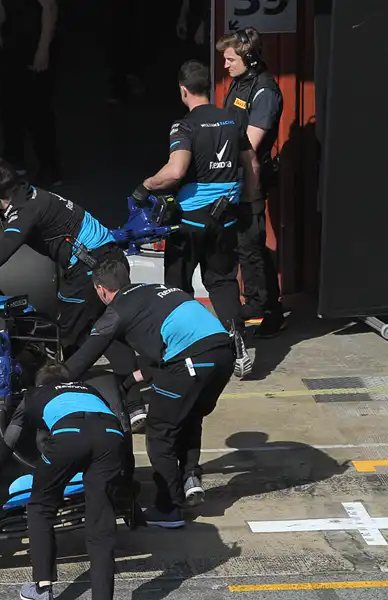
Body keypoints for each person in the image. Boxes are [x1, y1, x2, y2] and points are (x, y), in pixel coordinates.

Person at [0, 158, 147, 423]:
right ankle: (135, 403)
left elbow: (4, 249)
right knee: (108, 329)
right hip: (107, 261)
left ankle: (66, 399)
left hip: (89, 271)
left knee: (69, 338)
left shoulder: (26, 212)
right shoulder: (23, 195)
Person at [64, 258, 234, 528]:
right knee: (188, 417)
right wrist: (134, 378)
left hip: (191, 360)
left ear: (101, 289)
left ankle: (169, 508)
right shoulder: (154, 290)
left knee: (160, 433)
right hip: (224, 353)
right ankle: (190, 478)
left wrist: (53, 380)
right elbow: (168, 345)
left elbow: (83, 357)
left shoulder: (117, 310)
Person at [130, 59, 259, 378]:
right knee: (223, 281)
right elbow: (251, 163)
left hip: (189, 222)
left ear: (183, 90)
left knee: (176, 286)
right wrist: (249, 202)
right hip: (225, 218)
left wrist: (145, 186)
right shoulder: (232, 119)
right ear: (209, 87)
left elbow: (175, 172)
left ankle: (183, 348)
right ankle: (237, 344)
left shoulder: (184, 126)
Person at [0, 364, 128, 600]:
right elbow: (120, 425)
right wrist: (127, 487)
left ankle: (42, 588)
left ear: (40, 384)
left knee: (40, 507)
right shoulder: (89, 390)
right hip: (111, 438)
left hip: (68, 436)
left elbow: (6, 445)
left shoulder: (34, 395)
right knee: (101, 524)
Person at [217, 27, 286, 338]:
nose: (225, 65)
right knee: (244, 246)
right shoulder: (238, 84)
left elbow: (252, 142)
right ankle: (262, 305)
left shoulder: (264, 91)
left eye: (230, 59)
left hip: (251, 178)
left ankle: (266, 308)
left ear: (249, 57)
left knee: (252, 246)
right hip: (233, 177)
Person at [0, 0, 61, 186]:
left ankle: (50, 167)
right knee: (8, 103)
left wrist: (43, 48)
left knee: (37, 108)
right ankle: (14, 159)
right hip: (11, 40)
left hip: (33, 40)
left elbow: (50, 7)